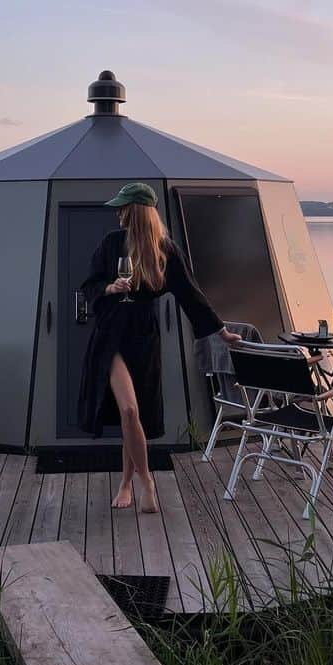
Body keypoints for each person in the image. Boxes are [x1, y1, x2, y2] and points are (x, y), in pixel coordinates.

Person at [77, 182, 241, 513]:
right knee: (128, 410)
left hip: (143, 337)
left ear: (135, 211)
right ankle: (146, 481)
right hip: (109, 335)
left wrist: (221, 332)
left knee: (133, 416)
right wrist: (109, 287)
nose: (118, 212)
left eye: (122, 207)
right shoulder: (110, 244)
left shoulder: (165, 251)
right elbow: (89, 284)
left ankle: (125, 483)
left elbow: (191, 296)